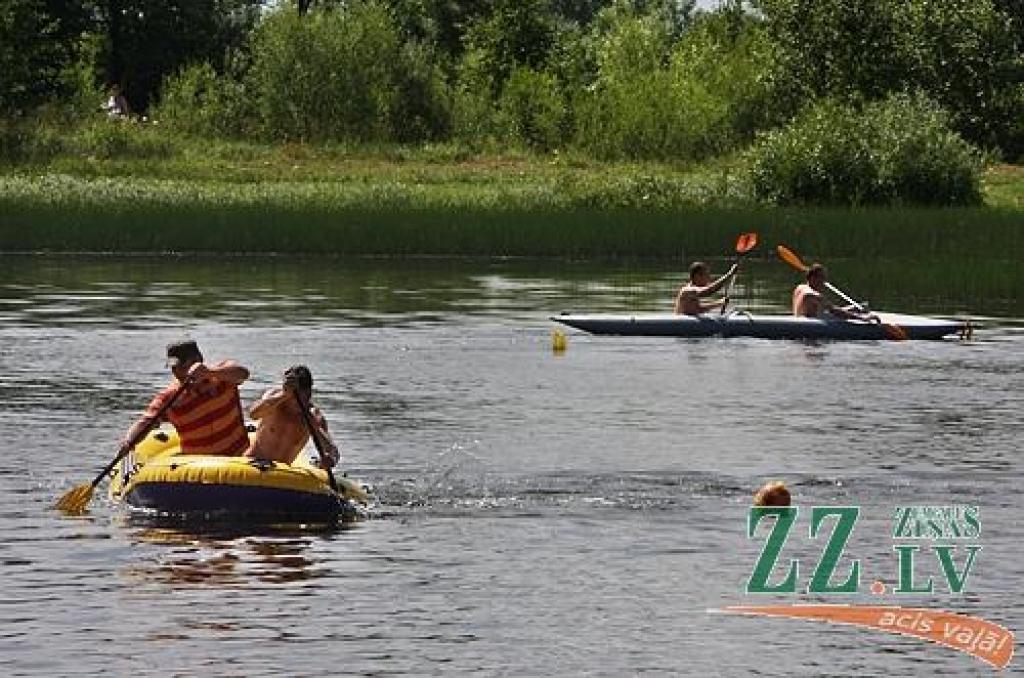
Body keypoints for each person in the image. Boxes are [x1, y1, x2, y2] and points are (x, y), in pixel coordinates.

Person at [124, 339, 250, 456]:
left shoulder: (223, 375)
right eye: (173, 367)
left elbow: (242, 374)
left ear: (198, 360)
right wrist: (129, 442)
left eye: (182, 366)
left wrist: (209, 373)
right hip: (196, 468)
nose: (177, 372)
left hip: (238, 461)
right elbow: (146, 421)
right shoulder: (169, 397)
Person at [245, 365, 339, 468]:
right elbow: (253, 414)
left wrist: (330, 459)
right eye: (298, 396)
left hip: (282, 473)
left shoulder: (313, 416)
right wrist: (284, 394)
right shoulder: (274, 399)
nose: (304, 400)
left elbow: (332, 450)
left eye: (307, 393)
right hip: (252, 463)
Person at [792, 264, 876, 321]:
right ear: (812, 278)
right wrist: (862, 318)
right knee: (839, 313)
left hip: (803, 319)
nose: (823, 281)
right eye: (821, 278)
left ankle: (858, 308)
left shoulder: (799, 288)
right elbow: (835, 311)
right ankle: (859, 311)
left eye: (824, 278)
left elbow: (828, 311)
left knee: (859, 307)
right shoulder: (814, 295)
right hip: (811, 324)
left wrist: (854, 309)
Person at [674, 261, 739, 315]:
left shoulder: (693, 293)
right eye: (706, 275)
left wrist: (719, 303)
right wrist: (729, 274)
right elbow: (708, 291)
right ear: (697, 276)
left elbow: (698, 309)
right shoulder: (687, 290)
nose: (708, 278)